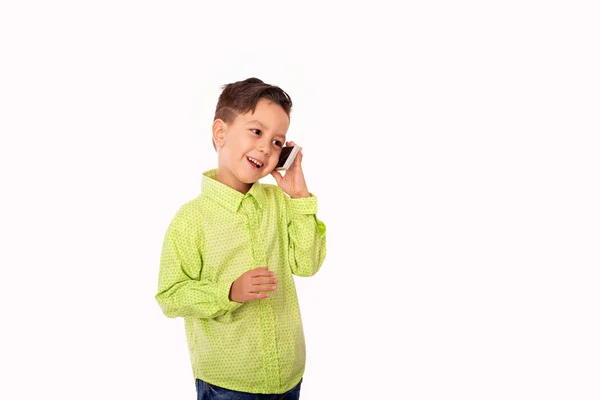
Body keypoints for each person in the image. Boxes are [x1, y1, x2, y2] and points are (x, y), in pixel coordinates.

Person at [155, 77, 327, 399]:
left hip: (288, 376)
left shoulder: (280, 203)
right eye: (257, 132)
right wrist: (229, 292)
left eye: (278, 142)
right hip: (228, 384)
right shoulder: (191, 219)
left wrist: (299, 197)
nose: (266, 147)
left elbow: (307, 264)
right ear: (221, 133)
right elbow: (170, 295)